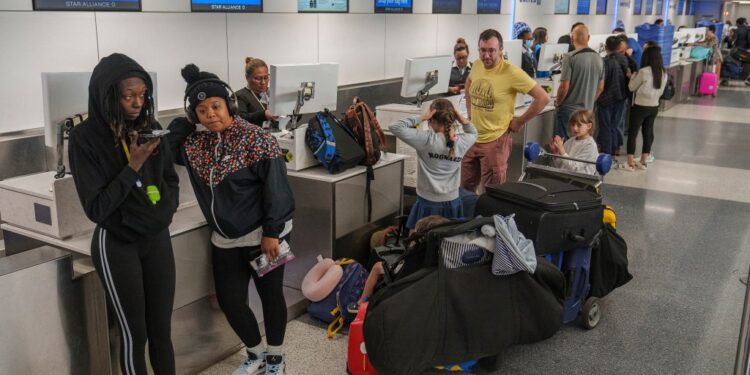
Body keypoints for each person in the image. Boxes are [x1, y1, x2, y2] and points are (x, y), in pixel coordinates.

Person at [168, 64, 294, 375]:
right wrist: (179, 128)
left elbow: (277, 190)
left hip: (266, 236)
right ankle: (255, 354)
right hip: (225, 239)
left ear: (229, 105)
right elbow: (165, 151)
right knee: (231, 301)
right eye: (201, 109)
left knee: (270, 297)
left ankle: (276, 358)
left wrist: (272, 232)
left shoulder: (257, 139)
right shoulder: (196, 145)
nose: (210, 114)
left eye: (215, 106)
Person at [68, 53, 179, 375]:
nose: (137, 103)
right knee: (135, 334)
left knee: (161, 331)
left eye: (143, 95)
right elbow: (97, 208)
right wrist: (134, 165)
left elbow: (170, 180)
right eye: (128, 96)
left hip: (156, 237)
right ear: (107, 96)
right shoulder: (84, 138)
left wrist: (164, 215)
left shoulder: (151, 128)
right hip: (117, 242)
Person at [462, 28, 550, 191]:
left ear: (501, 50)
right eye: (483, 50)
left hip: (495, 141)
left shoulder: (512, 72)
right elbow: (469, 84)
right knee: (465, 189)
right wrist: (469, 114)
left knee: (492, 193)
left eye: (491, 51)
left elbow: (543, 98)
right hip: (472, 138)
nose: (486, 56)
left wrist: (520, 121)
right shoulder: (476, 65)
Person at [389, 98, 477, 229]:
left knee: (422, 241)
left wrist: (421, 117)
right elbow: (473, 132)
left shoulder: (426, 140)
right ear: (453, 119)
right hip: (453, 202)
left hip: (427, 203)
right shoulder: (462, 142)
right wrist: (462, 119)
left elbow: (394, 126)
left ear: (431, 119)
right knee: (447, 241)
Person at [349, 215, 451, 314]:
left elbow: (399, 271)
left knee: (377, 267)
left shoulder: (415, 256)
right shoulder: (444, 253)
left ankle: (360, 303)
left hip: (402, 284)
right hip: (427, 288)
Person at [554, 24, 604, 139]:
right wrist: (589, 100)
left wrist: (558, 103)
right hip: (588, 110)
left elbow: (564, 86)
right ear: (589, 37)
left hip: (569, 110)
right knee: (581, 143)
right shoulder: (599, 58)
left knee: (564, 144)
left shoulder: (569, 57)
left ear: (572, 38)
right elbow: (601, 87)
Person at [625, 46, 667, 171]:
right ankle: (643, 161)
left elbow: (632, 87)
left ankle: (630, 163)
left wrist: (631, 76)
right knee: (648, 133)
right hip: (654, 107)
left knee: (633, 133)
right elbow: (661, 92)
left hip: (640, 107)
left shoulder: (643, 71)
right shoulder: (663, 73)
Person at [596, 36, 630, 163]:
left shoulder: (604, 61)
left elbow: (601, 82)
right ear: (618, 47)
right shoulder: (624, 59)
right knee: (615, 124)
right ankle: (616, 150)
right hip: (620, 97)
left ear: (605, 47)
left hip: (605, 99)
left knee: (605, 125)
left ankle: (607, 152)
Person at [235, 57, 280, 131]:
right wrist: (264, 114)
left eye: (266, 78)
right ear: (247, 77)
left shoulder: (272, 93)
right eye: (258, 78)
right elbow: (240, 120)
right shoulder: (240, 96)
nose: (263, 82)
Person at [549, 109, 599, 175]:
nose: (575, 128)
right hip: (566, 177)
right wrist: (556, 154)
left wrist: (562, 151)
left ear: (589, 126)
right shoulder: (570, 141)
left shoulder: (590, 145)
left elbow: (575, 168)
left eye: (579, 125)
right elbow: (561, 165)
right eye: (573, 125)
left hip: (581, 180)